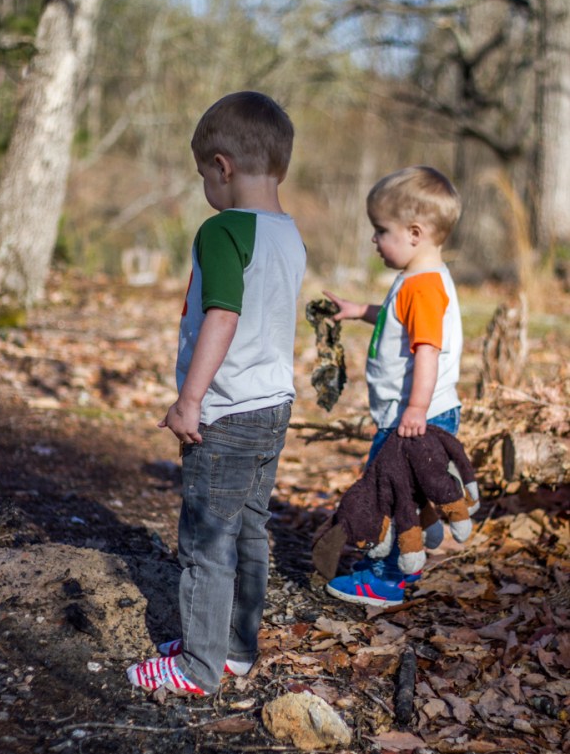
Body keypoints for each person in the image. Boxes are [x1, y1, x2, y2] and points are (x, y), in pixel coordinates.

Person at [126, 91, 306, 697]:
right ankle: (235, 648)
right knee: (251, 528)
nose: (206, 183)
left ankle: (196, 668)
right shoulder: (288, 234)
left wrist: (190, 399)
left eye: (204, 172)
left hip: (227, 411)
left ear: (222, 166)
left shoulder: (224, 229)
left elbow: (222, 316)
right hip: (274, 405)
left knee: (206, 539)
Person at [323, 165, 463, 607]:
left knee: (389, 495)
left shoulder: (422, 287)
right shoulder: (419, 279)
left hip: (413, 418)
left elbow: (427, 351)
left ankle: (383, 580)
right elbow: (394, 321)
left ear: (415, 232)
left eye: (381, 231)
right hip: (413, 414)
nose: (374, 240)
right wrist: (358, 310)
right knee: (408, 493)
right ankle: (411, 553)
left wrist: (416, 409)